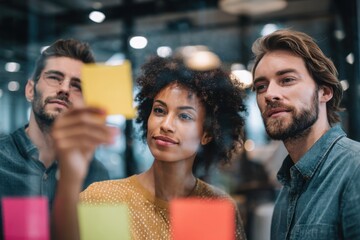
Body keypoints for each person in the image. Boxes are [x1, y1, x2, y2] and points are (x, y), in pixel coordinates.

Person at [51, 55, 248, 240]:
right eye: (160, 111)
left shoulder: (218, 206)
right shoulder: (105, 198)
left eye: (184, 116)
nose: (166, 125)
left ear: (207, 134)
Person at [251, 29, 360, 239]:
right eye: (261, 86)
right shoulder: (287, 190)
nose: (270, 94)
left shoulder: (354, 169)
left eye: (287, 80)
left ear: (324, 92)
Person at [0, 39, 109, 239]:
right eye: (54, 78)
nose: (65, 89)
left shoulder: (97, 174)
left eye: (77, 85)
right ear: (30, 90)